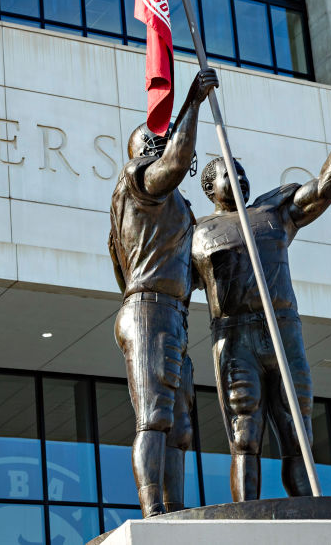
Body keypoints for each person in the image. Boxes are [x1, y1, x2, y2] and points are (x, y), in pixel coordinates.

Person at [191, 84, 331, 501]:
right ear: (210, 188)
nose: (237, 176)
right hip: (234, 336)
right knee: (245, 432)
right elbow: (171, 290)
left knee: (297, 431)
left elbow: (324, 189)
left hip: (282, 327)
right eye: (226, 172)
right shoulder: (198, 233)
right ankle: (247, 525)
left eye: (240, 170)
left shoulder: (272, 210)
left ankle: (308, 517)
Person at [108, 68, 218, 517]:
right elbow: (173, 164)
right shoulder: (137, 182)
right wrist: (191, 102)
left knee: (180, 429)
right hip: (149, 308)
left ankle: (173, 513)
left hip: (171, 313)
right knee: (154, 417)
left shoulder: (179, 209)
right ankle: (154, 514)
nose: (161, 147)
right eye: (152, 143)